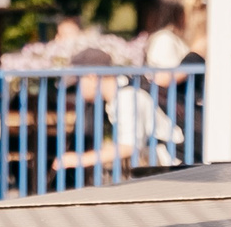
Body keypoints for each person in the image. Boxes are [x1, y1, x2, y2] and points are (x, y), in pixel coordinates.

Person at [53, 48, 182, 178]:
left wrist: (80, 159)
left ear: (92, 77)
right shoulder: (121, 94)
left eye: (77, 84)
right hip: (167, 167)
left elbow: (128, 145)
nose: (78, 92)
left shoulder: (127, 97)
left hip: (177, 166)